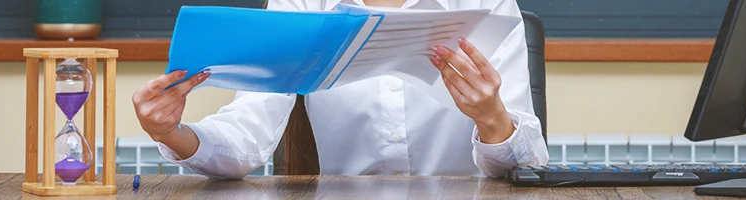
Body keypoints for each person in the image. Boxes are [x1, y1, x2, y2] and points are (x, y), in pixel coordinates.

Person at [132, 0, 548, 179]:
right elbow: (249, 134)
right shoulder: (303, 6)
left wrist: (492, 117)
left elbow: (529, 162)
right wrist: (171, 132)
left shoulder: (485, 4)